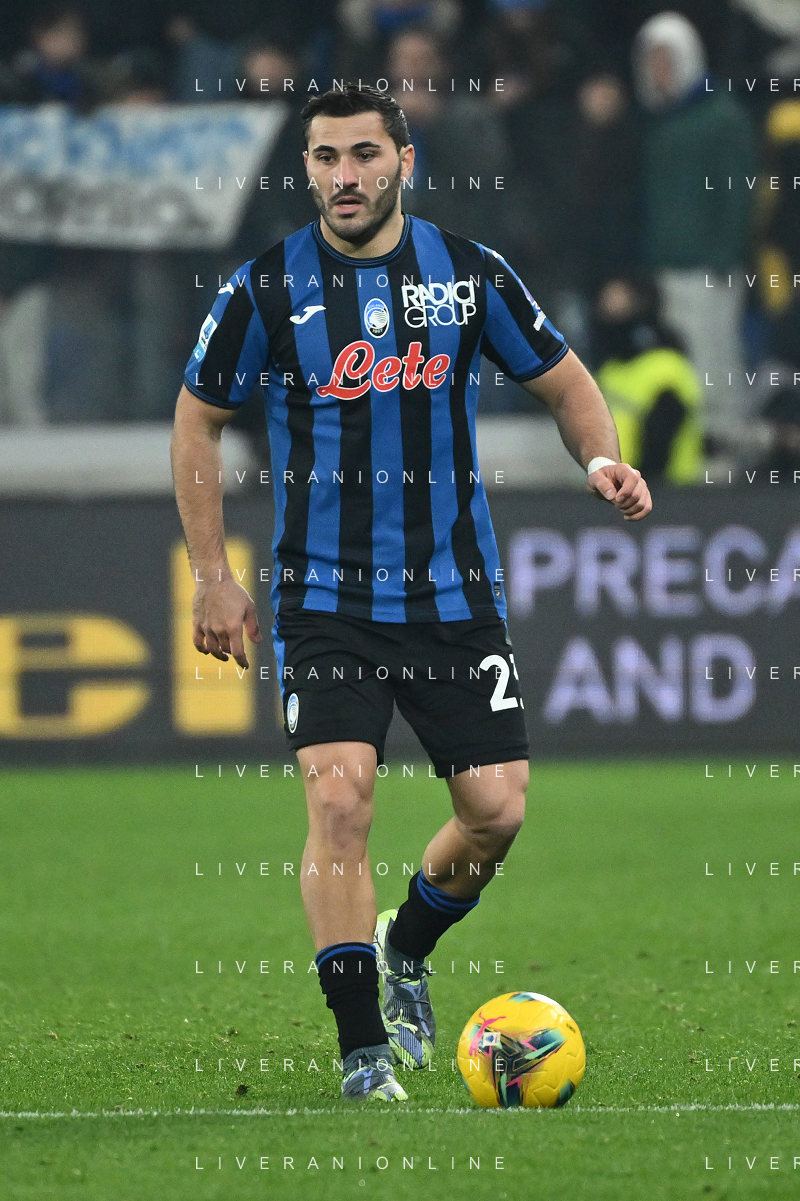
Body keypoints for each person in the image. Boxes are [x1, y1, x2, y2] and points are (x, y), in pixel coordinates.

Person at [171, 83, 652, 1103]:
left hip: (452, 593)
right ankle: (362, 1054)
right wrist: (213, 574)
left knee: (494, 812)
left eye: (363, 154)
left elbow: (565, 380)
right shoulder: (264, 289)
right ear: (306, 169)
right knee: (339, 799)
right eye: (324, 158)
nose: (343, 176)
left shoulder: (467, 275)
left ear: (404, 162)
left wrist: (600, 457)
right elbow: (197, 419)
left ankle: (408, 945)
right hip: (324, 597)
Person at [633, 12, 756, 456]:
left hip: (708, 267)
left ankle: (726, 446)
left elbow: (739, 192)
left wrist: (724, 255)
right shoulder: (657, 122)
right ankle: (690, 449)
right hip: (667, 266)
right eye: (652, 62)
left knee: (715, 356)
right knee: (683, 362)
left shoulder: (721, 117)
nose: (659, 72)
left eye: (667, 60)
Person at [594, 276, 703, 484]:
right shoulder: (610, 370)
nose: (608, 311)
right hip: (615, 491)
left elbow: (662, 435)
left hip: (665, 492)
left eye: (618, 303)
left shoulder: (666, 367)